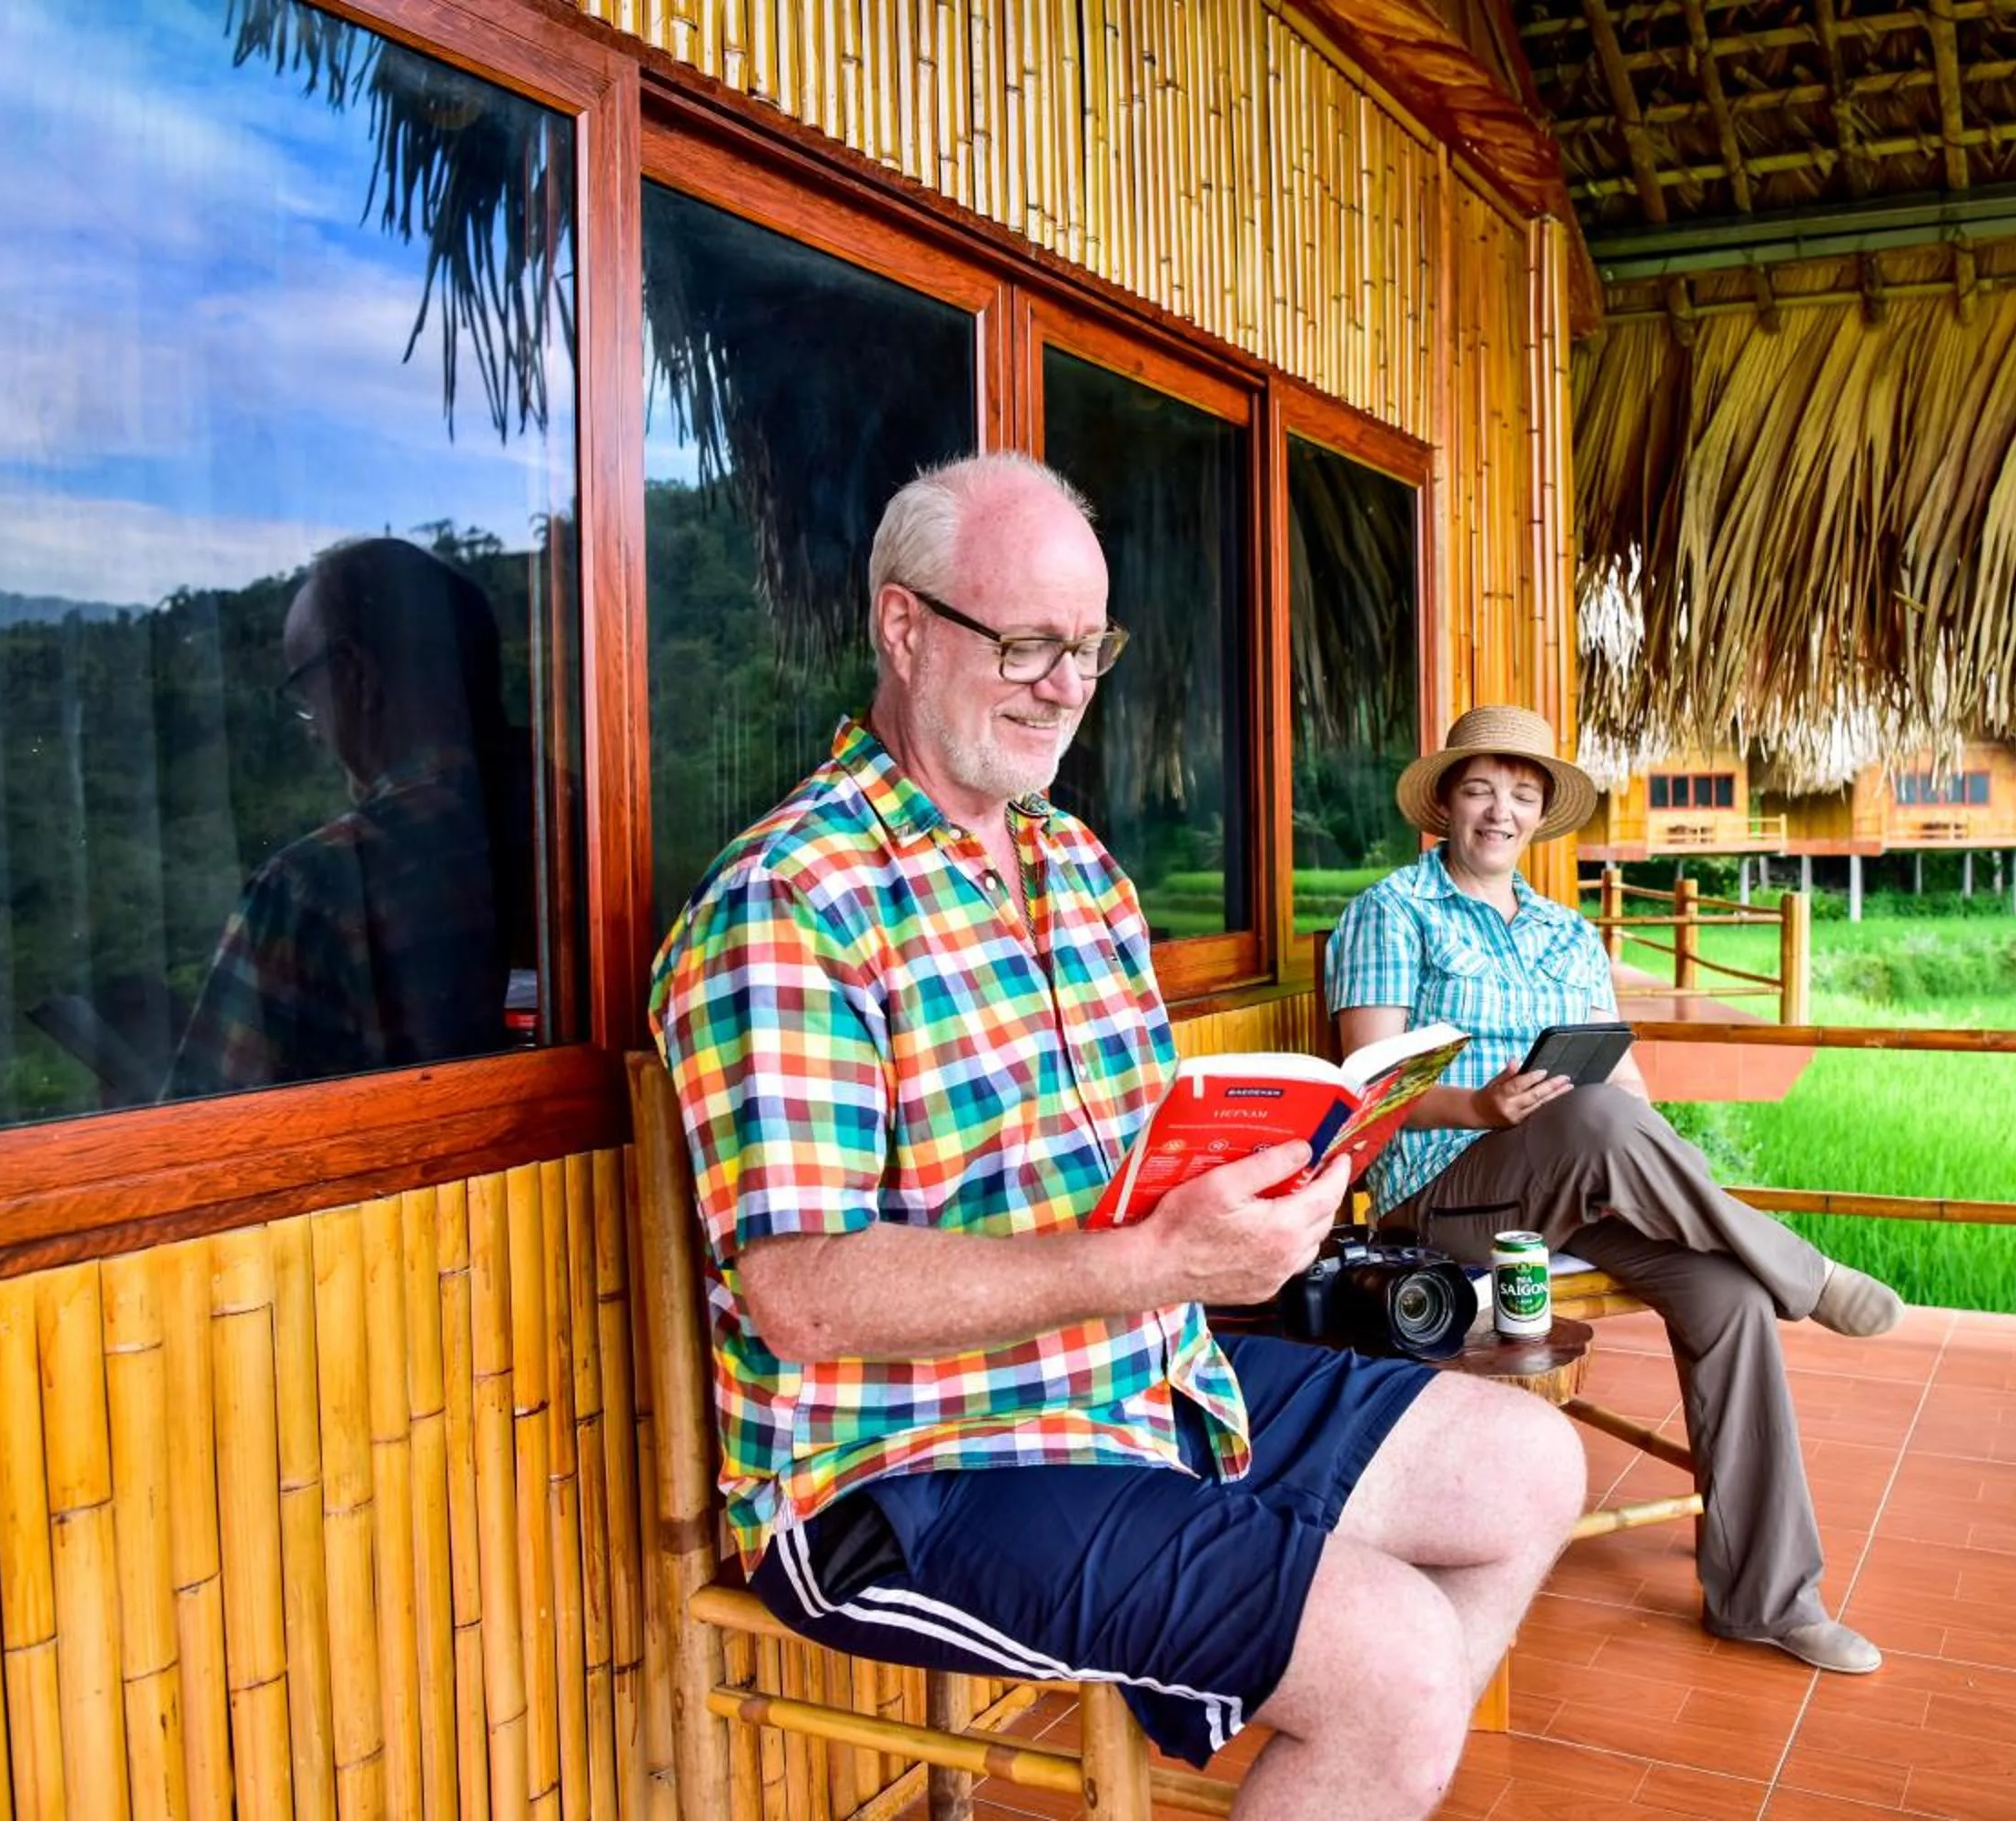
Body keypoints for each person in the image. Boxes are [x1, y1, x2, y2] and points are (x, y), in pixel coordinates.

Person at [649, 454, 1586, 1820]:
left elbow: (1141, 1159)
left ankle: (1371, 1776)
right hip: (908, 1463)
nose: (1067, 683)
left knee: (1528, 1463)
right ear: (903, 629)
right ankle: (1381, 1741)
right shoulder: (793, 900)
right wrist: (1156, 1262)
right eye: (1028, 641)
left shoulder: (1079, 869)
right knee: (1393, 1662)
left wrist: (1286, 1179)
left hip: (1137, 1379)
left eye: (1090, 647)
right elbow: (801, 1294)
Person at [1326, 703, 1900, 1675]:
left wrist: (1663, 1174)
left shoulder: (1566, 934)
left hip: (1582, 1189)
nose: (1499, 812)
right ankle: (1805, 1269)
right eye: (1479, 790)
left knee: (1728, 1293)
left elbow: (1625, 1091)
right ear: (1445, 806)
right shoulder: (1393, 912)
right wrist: (1482, 1106)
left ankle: (1768, 1596)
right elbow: (1366, 1102)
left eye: (1521, 794)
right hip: (1444, 1207)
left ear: (1541, 814)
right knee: (1589, 1119)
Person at [168, 537, 533, 1095]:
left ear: (357, 679)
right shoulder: (572, 819)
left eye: (307, 694)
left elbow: (195, 1135)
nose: (313, 728)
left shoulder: (308, 890)